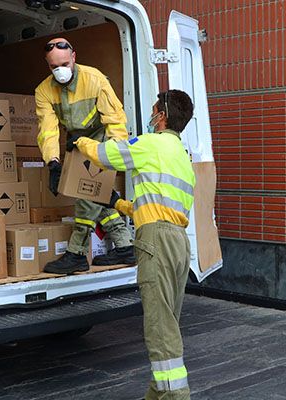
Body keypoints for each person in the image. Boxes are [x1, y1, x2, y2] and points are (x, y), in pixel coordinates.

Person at [71, 90, 196, 399]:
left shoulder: (151, 143)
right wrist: (119, 204)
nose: (151, 117)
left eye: (154, 111)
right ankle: (158, 394)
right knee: (167, 320)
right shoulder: (182, 155)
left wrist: (78, 141)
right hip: (178, 242)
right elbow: (159, 204)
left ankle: (176, 396)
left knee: (160, 325)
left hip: (157, 240)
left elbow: (105, 155)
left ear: (162, 116)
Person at [35, 38, 135, 274]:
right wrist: (53, 162)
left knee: (85, 192)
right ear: (48, 65)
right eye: (54, 66)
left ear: (74, 57)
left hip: (103, 140)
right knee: (98, 194)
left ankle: (76, 253)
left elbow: (115, 120)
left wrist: (113, 155)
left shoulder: (95, 79)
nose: (60, 71)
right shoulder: (43, 91)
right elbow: (48, 130)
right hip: (77, 142)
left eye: (64, 64)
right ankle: (124, 246)